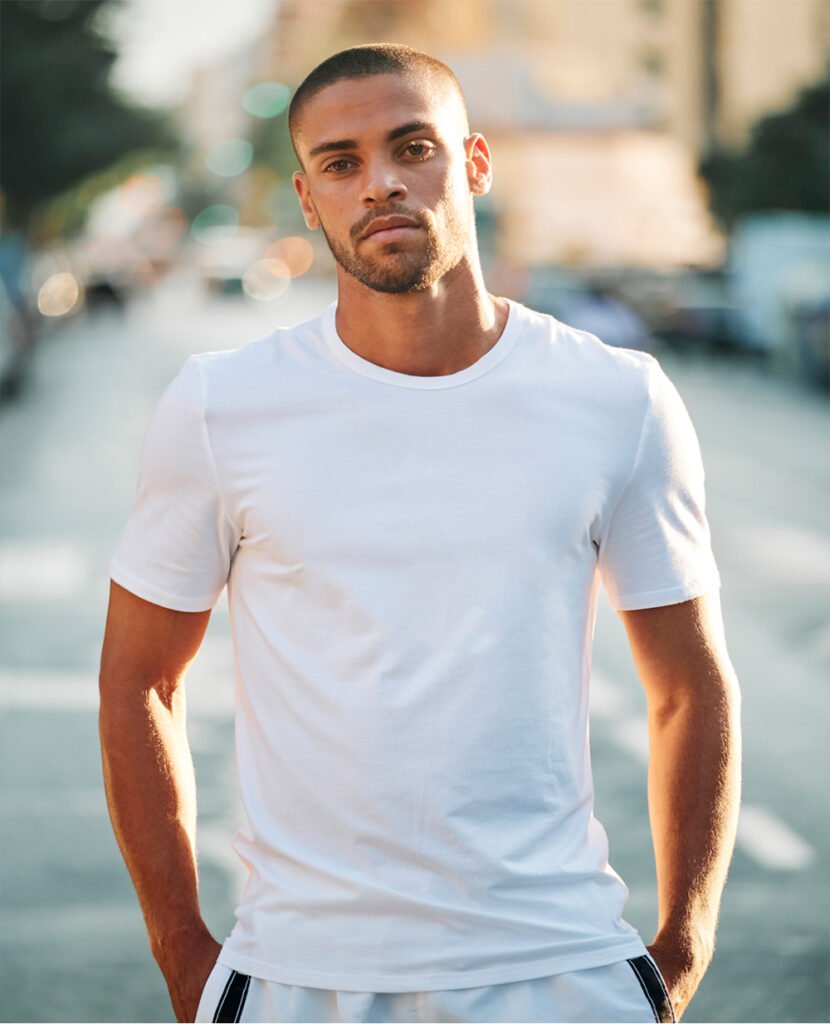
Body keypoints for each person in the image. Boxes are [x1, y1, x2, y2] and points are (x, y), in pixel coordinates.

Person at [99, 44, 742, 1024]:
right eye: (340, 162)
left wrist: (680, 949)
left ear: (473, 163)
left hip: (558, 971)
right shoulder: (219, 408)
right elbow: (139, 680)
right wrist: (187, 960)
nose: (382, 183)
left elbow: (687, 685)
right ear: (307, 199)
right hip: (299, 978)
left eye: (411, 146)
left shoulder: (614, 397)